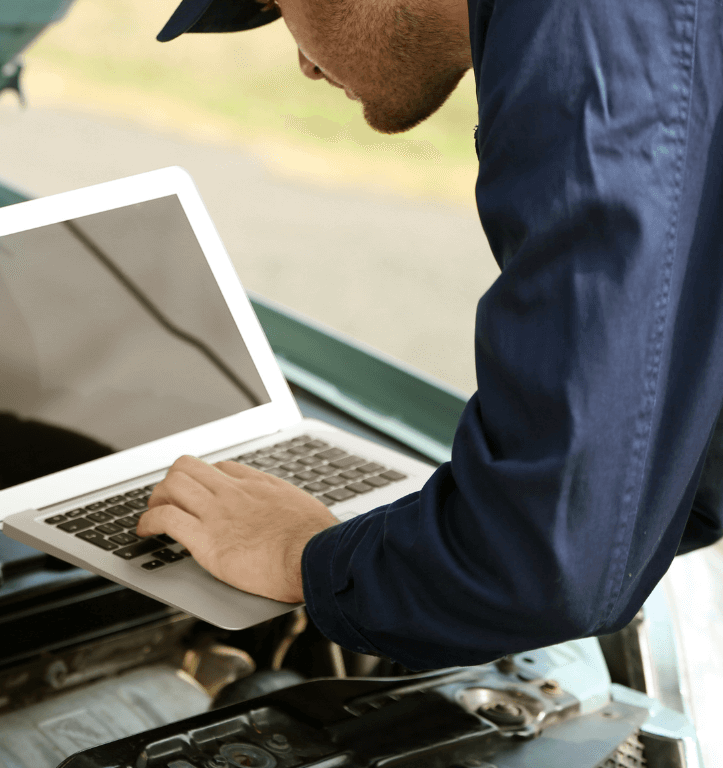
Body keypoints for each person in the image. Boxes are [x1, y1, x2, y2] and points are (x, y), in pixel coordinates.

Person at [137, 0, 723, 670]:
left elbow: (546, 561)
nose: (301, 61)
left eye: (277, 4)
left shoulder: (579, 34)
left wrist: (302, 556)